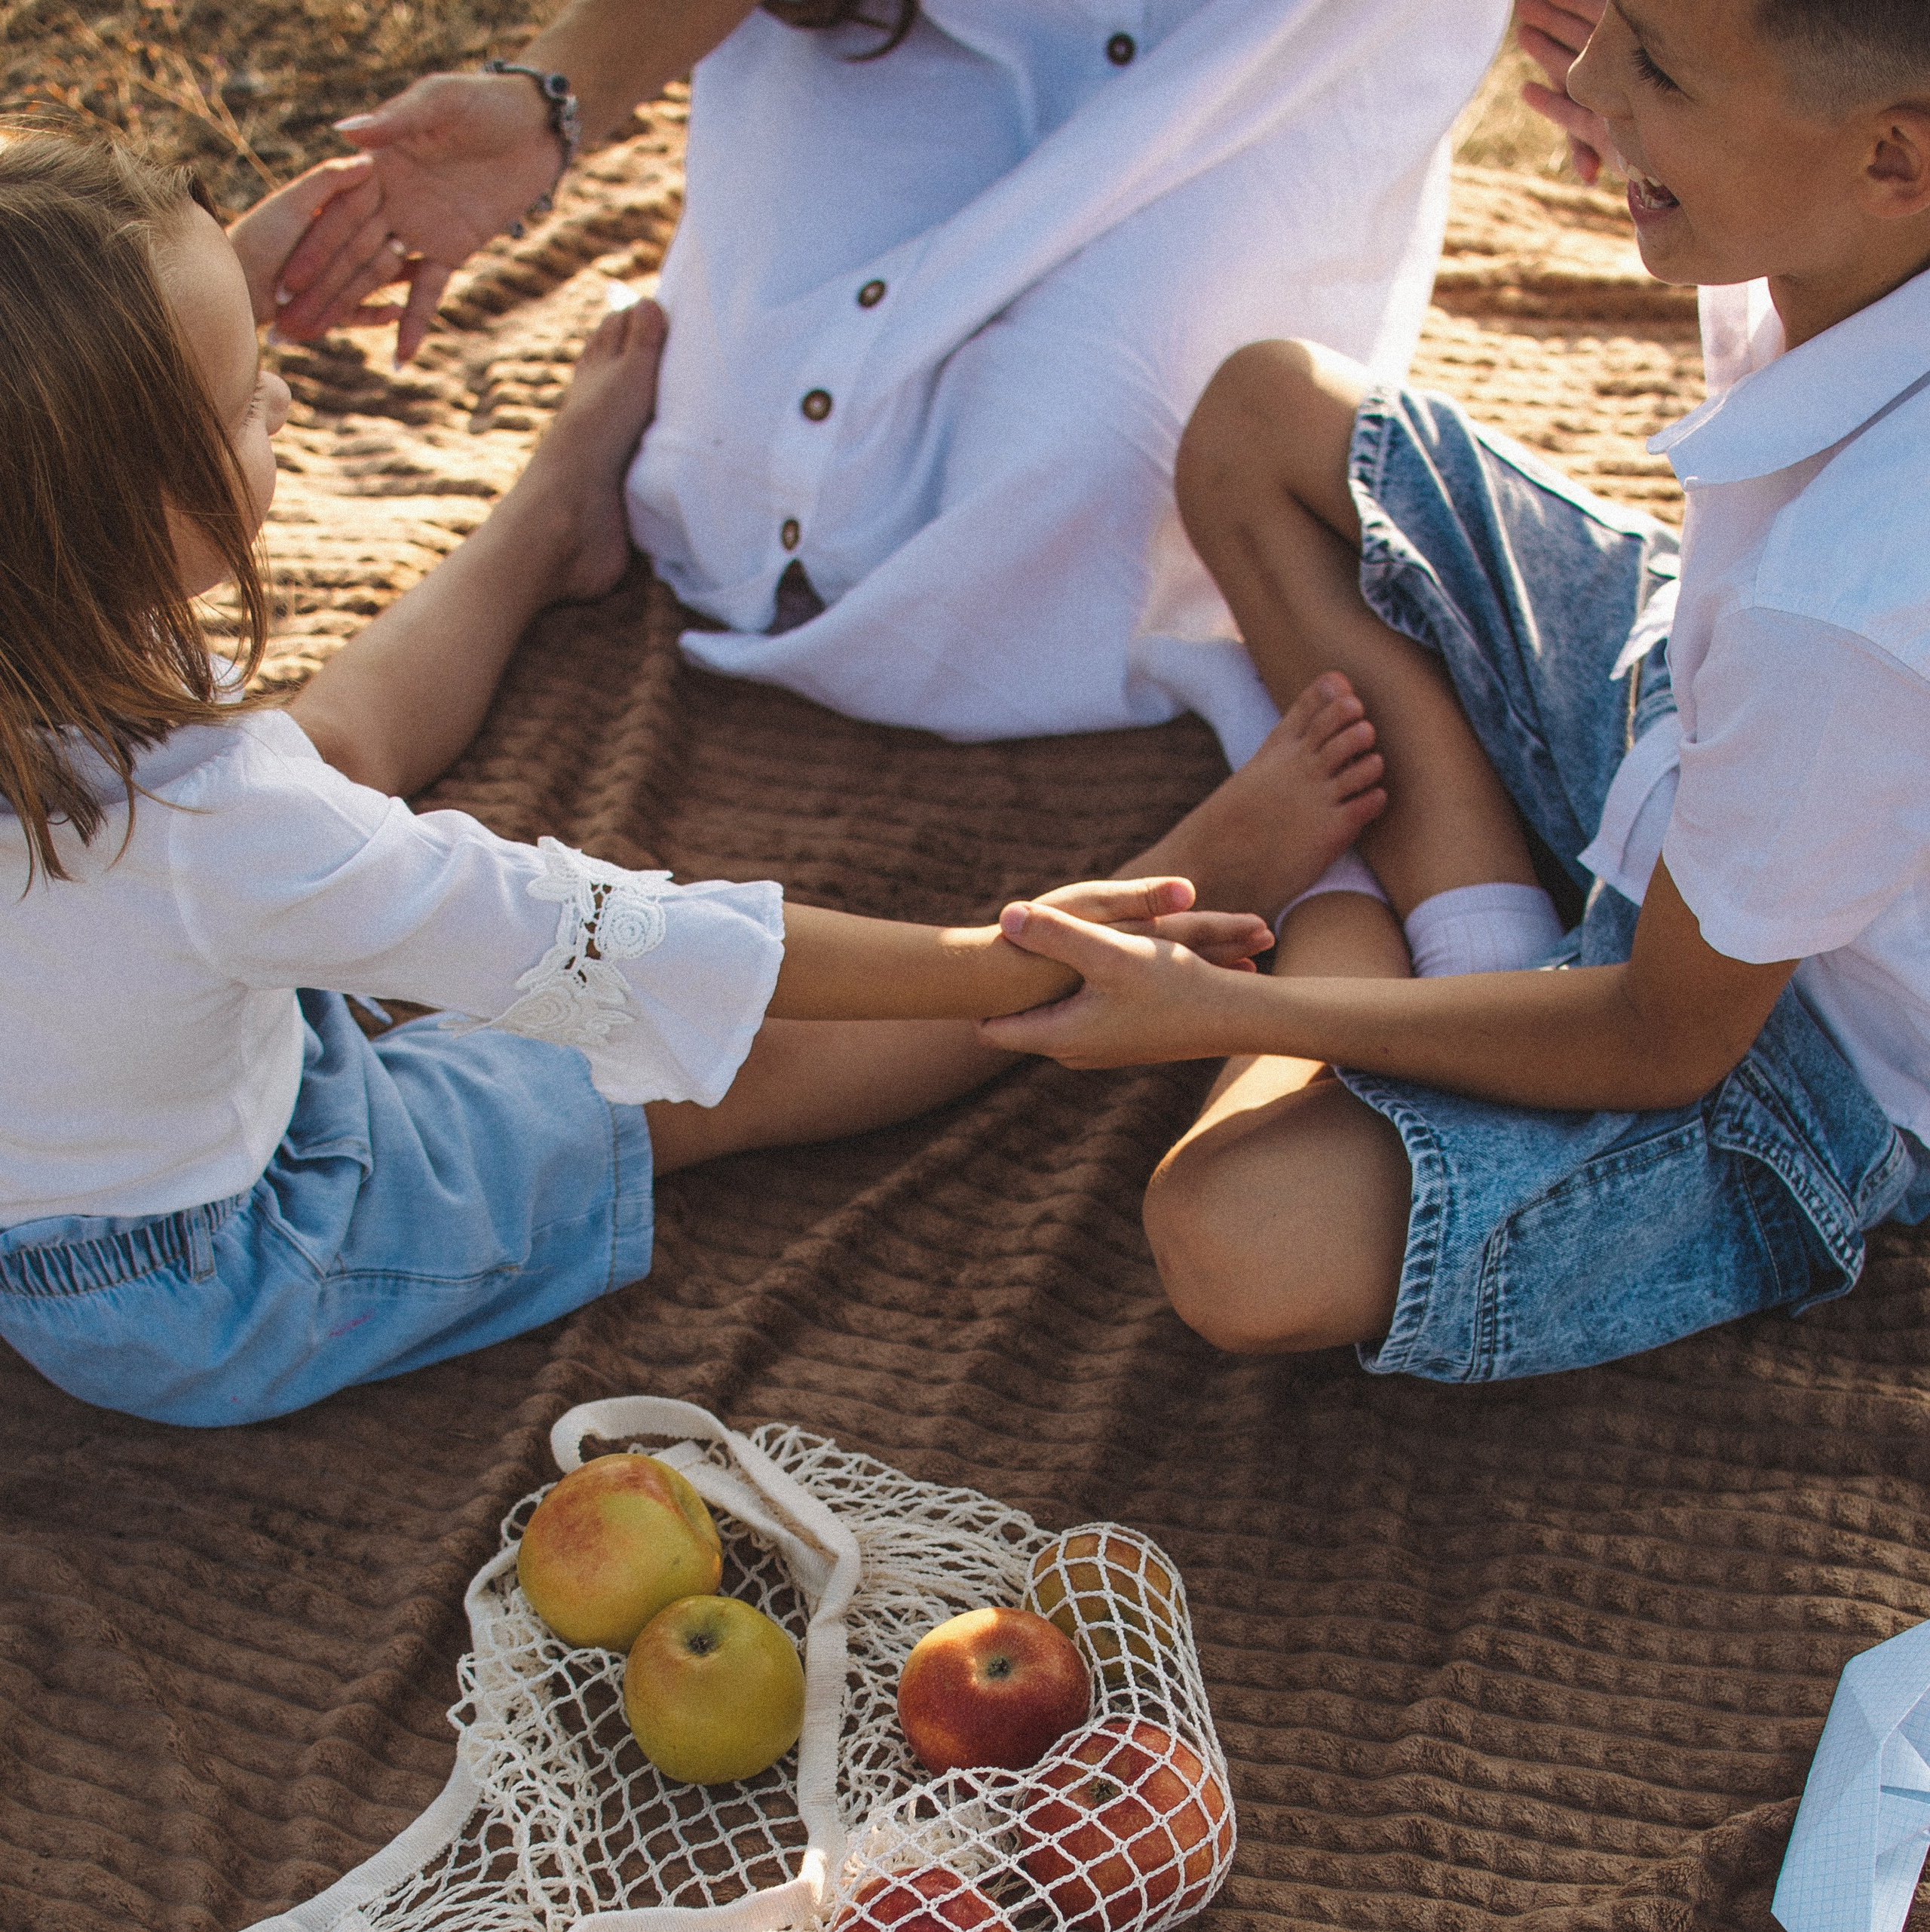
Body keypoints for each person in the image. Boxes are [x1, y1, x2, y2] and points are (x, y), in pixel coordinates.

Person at [0, 125, 1407, 1429]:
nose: (287, 397)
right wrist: (981, 959)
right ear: (118, 483)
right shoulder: (206, 817)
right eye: (249, 398)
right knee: (705, 1062)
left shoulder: (51, 607)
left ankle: (550, 523)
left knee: (333, 755)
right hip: (232, 1268)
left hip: (65, 1170)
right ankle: (1106, 931)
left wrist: (154, 307)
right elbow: (605, 946)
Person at [978, 0, 1930, 1382]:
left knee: (1232, 1232)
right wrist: (1666, 158)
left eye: (1655, 65)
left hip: (1800, 1034)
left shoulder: (1855, 598)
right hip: (1716, 709)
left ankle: (1393, 920)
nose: (1592, 74)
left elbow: (1664, 1035)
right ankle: (1485, 935)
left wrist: (1245, 1009)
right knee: (1266, 414)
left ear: (1895, 162)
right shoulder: (1858, 226)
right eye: (1617, 20)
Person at [265, 0, 1512, 771]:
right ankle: (554, 509)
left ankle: (551, 514)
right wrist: (551, 101)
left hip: (1256, 57)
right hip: (921, 19)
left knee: (1077, 491)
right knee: (740, 473)